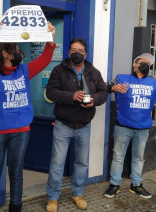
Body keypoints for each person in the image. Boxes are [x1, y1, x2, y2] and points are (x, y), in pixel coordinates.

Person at [0, 21, 56, 212]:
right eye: (15, 50)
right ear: (5, 53)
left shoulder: (23, 71)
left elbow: (45, 59)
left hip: (20, 129)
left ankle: (16, 208)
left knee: (16, 174)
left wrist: (50, 37)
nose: (19, 55)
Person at [45, 38, 108, 212]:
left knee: (81, 162)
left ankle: (77, 193)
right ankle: (52, 197)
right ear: (68, 52)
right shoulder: (59, 70)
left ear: (85, 53)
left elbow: (104, 92)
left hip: (84, 125)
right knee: (57, 163)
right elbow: (50, 92)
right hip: (63, 125)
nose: (76, 53)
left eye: (80, 50)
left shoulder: (94, 72)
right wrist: (71, 96)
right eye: (73, 50)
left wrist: (93, 100)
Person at [103, 53, 156, 199]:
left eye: (148, 63)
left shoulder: (154, 83)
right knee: (118, 156)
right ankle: (114, 184)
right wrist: (114, 87)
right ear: (135, 64)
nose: (145, 65)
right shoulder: (121, 78)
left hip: (143, 129)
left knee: (139, 158)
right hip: (123, 126)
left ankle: (136, 184)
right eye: (142, 62)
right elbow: (104, 87)